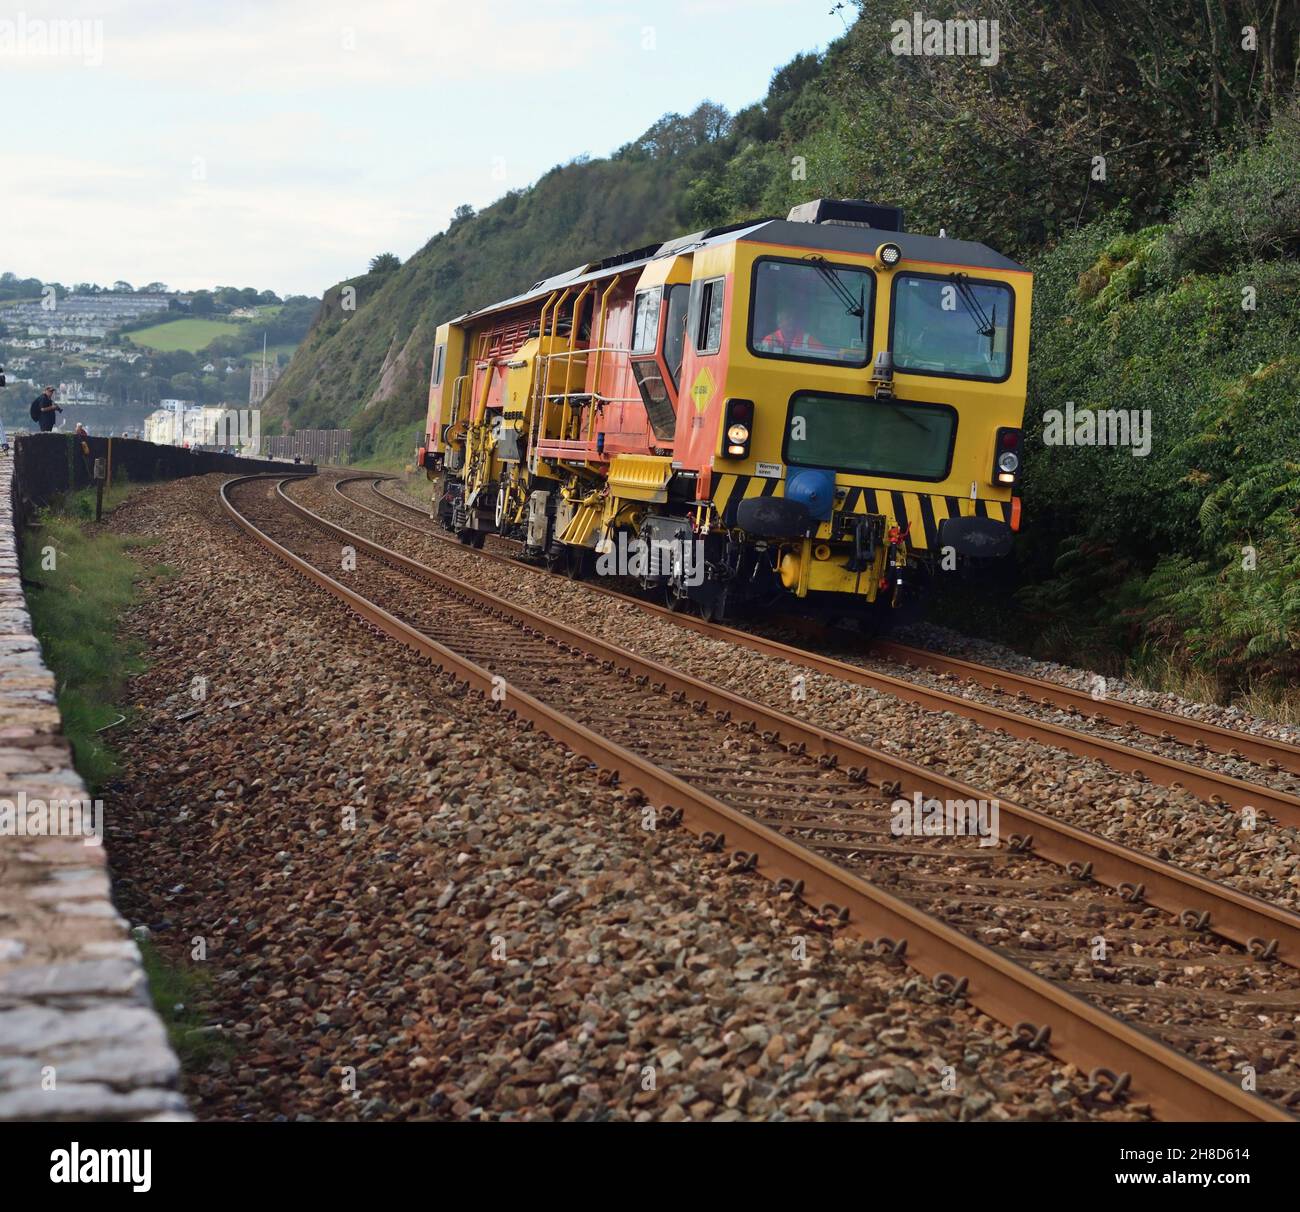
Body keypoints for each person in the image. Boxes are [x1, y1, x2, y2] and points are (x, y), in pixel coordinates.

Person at [758, 299, 828, 356]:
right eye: (787, 318)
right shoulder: (770, 339)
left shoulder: (807, 339)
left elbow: (825, 355)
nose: (792, 320)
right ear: (779, 323)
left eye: (794, 318)